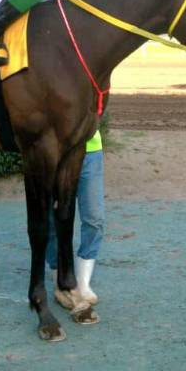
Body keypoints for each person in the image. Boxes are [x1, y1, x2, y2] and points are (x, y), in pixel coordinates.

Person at [46, 130, 106, 312]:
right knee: (53, 221)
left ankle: (82, 282)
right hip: (57, 152)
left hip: (90, 151)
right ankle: (58, 279)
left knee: (94, 218)